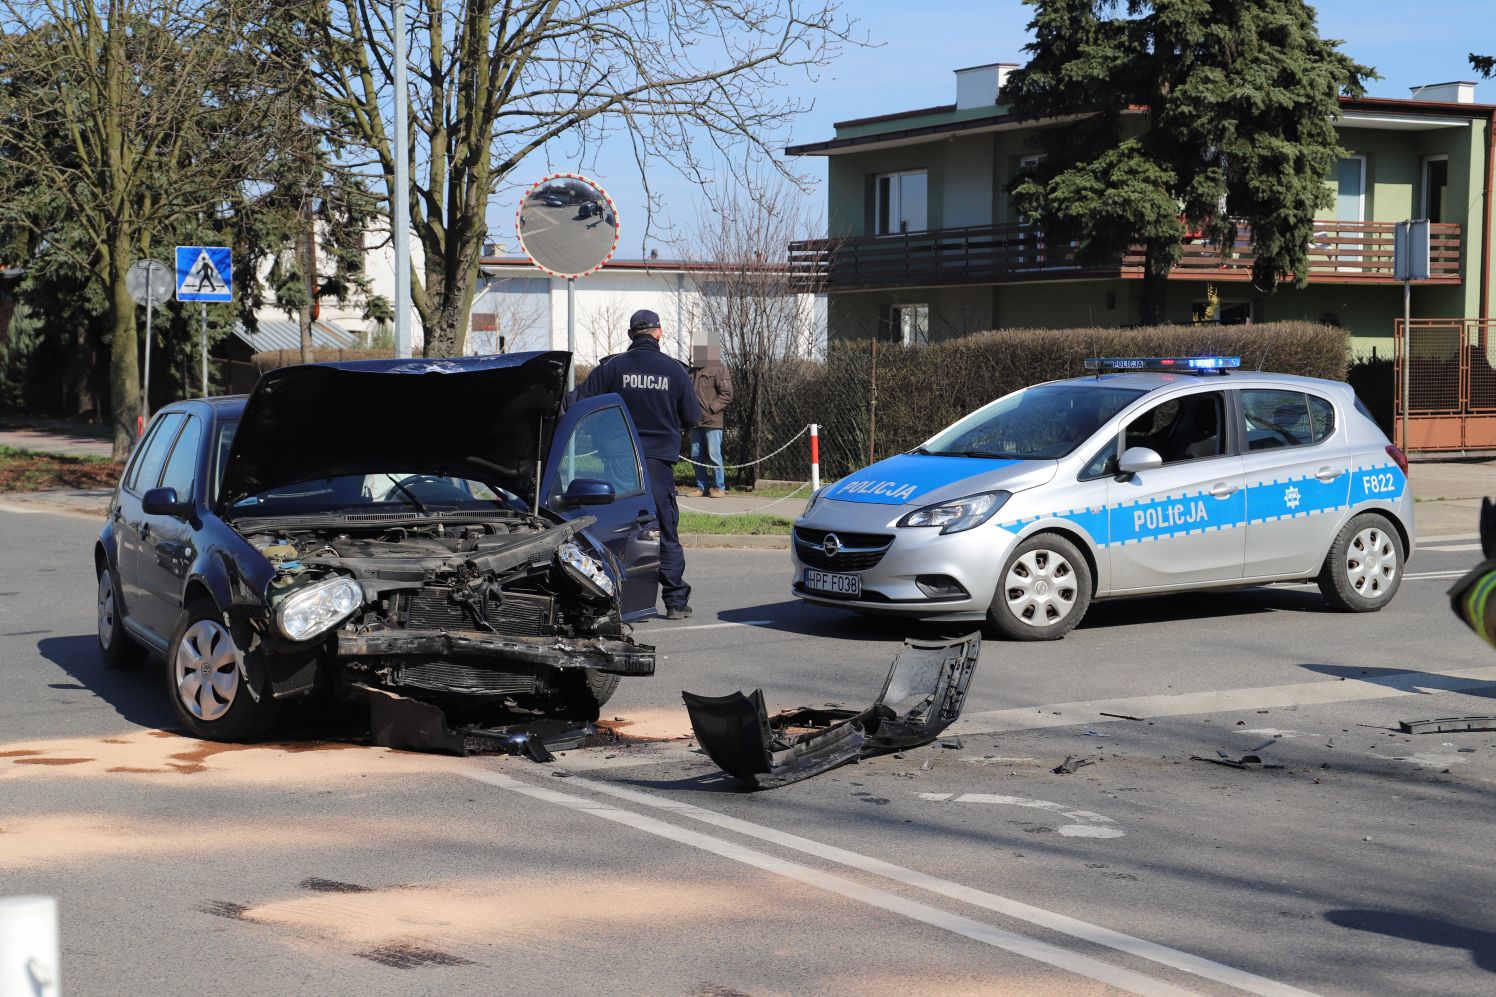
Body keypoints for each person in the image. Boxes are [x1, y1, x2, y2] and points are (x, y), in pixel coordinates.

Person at [571, 309, 701, 620]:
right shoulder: (675, 371)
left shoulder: (612, 367)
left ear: (632, 334)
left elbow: (580, 403)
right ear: (659, 332)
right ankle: (674, 601)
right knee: (665, 528)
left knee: (617, 528)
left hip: (618, 460)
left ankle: (611, 597)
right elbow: (694, 417)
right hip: (657, 462)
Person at [689, 342, 734, 497]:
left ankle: (719, 487)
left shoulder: (719, 368)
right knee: (696, 456)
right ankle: (701, 487)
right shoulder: (692, 371)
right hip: (695, 421)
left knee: (714, 455)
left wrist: (710, 408)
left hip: (712, 420)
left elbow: (727, 394)